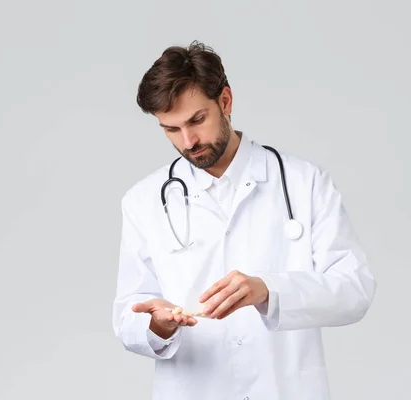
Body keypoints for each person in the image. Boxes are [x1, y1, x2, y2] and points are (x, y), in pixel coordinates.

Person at [112, 40, 376, 400]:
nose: (188, 141)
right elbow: (128, 317)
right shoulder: (144, 201)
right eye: (171, 129)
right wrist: (156, 325)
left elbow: (355, 290)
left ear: (225, 101)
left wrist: (269, 290)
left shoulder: (304, 183)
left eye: (196, 120)